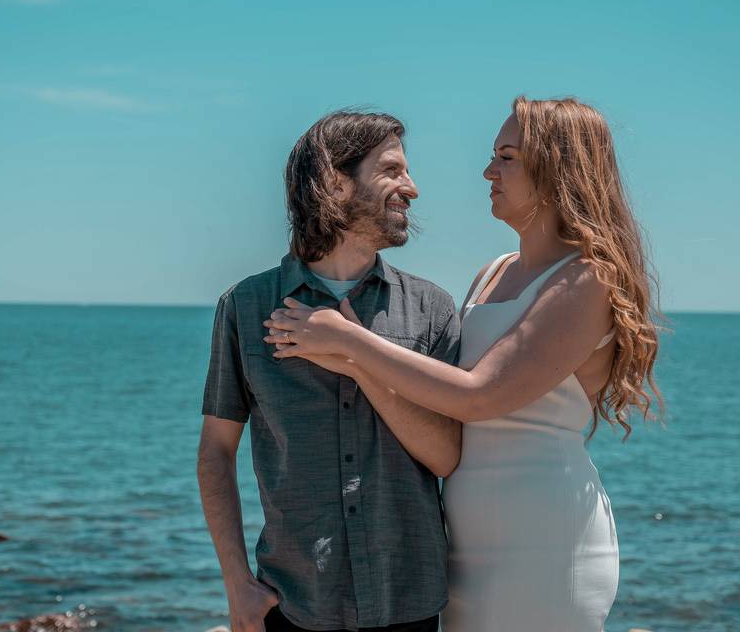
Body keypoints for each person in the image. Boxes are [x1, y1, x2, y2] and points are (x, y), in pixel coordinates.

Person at [263, 96, 663, 632]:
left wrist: (350, 342)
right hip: (461, 541)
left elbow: (477, 395)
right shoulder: (493, 272)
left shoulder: (587, 279)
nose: (488, 170)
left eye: (507, 157)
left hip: (542, 540)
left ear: (557, 168)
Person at [197, 110, 462, 632]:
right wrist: (236, 584)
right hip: (292, 604)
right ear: (336, 184)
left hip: (407, 601)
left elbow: (445, 454)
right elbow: (215, 450)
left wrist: (353, 355)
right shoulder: (246, 307)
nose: (411, 188)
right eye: (392, 170)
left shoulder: (432, 308)